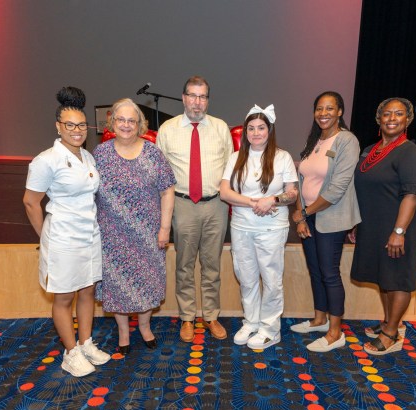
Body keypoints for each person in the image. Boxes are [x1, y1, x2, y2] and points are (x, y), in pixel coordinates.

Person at [23, 86, 110, 377]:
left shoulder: (88, 157)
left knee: (87, 290)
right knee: (63, 298)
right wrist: (45, 237)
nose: (76, 130)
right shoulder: (46, 160)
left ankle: (85, 343)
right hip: (63, 237)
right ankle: (70, 352)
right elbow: (31, 202)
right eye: (70, 125)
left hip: (89, 235)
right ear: (58, 126)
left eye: (81, 125)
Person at [94, 98, 176, 355]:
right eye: (121, 120)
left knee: (147, 283)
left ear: (140, 124)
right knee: (117, 284)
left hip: (148, 234)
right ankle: (122, 332)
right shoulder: (100, 154)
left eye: (132, 120)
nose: (126, 125)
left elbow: (168, 191)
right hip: (112, 236)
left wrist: (164, 229)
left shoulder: (153, 153)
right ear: (112, 122)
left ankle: (144, 326)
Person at [156, 76, 234, 342]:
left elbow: (230, 168)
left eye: (202, 97)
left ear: (208, 100)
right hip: (182, 205)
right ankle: (187, 317)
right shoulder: (167, 129)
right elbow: (160, 173)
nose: (197, 102)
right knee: (185, 265)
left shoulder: (221, 128)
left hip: (216, 205)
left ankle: (211, 316)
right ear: (183, 97)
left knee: (212, 266)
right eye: (192, 95)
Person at [351, 97, 416, 355]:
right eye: (387, 114)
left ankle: (391, 333)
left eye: (398, 114)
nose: (392, 118)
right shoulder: (371, 149)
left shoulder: (410, 152)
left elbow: (412, 195)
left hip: (397, 227)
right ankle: (388, 321)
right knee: (384, 277)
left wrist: (398, 232)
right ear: (378, 119)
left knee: (398, 279)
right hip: (373, 224)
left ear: (408, 120)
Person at [220, 104, 298, 349]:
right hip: (242, 227)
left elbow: (292, 194)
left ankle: (270, 328)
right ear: (245, 131)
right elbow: (224, 192)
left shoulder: (282, 157)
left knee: (271, 279)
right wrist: (255, 202)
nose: (255, 133)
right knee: (247, 277)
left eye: (261, 128)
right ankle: (251, 322)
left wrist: (272, 200)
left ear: (269, 130)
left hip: (272, 229)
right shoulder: (236, 157)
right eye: (251, 128)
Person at [289, 91, 361, 352]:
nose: (324, 113)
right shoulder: (315, 140)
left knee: (330, 274)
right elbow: (300, 181)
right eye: (319, 109)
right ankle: (319, 320)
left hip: (332, 217)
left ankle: (335, 332)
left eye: (330, 108)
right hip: (309, 216)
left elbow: (337, 187)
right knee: (316, 270)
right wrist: (301, 215)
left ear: (340, 111)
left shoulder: (346, 141)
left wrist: (304, 213)